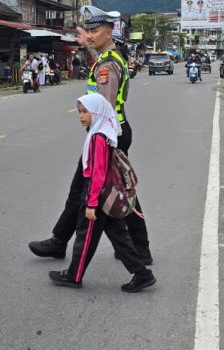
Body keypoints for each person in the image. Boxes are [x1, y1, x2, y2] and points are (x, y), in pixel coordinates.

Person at [29, 5, 153, 265]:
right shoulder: (111, 57)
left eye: (95, 32)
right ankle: (137, 249)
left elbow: (104, 107)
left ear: (109, 32)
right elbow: (100, 59)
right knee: (117, 189)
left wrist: (99, 142)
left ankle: (65, 243)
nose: (91, 35)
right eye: (89, 31)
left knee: (93, 192)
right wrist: (87, 45)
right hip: (113, 132)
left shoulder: (107, 67)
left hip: (107, 134)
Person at [48, 93, 156, 292]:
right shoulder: (104, 131)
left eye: (84, 112)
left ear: (96, 112)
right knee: (119, 237)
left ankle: (74, 275)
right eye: (79, 112)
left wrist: (91, 203)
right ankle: (142, 274)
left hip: (97, 194)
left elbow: (98, 173)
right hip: (107, 195)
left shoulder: (98, 137)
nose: (80, 116)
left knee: (85, 235)